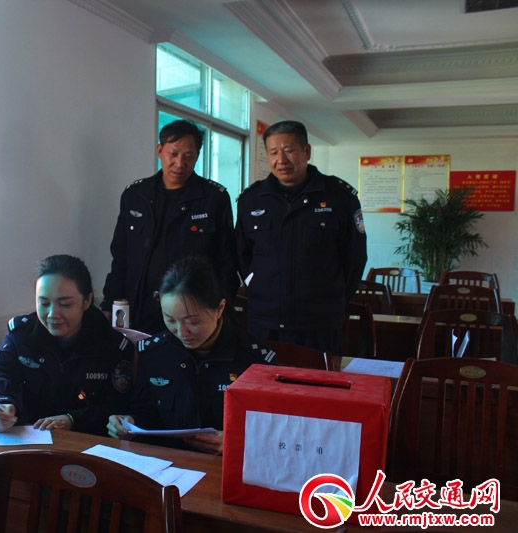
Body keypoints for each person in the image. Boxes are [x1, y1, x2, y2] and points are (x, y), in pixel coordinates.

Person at [106, 255, 277, 455]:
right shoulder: (154, 353)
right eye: (170, 319)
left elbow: (273, 430)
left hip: (224, 464)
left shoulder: (255, 361)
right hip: (168, 462)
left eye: (193, 322)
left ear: (219, 309)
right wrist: (129, 423)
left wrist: (237, 441)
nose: (181, 332)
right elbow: (145, 410)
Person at [235, 120, 367, 354]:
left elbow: (354, 258)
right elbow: (242, 254)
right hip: (265, 320)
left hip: (320, 322)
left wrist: (333, 296)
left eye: (289, 150)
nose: (281, 160)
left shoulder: (339, 197)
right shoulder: (251, 199)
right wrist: (259, 286)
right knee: (264, 377)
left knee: (318, 378)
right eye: (273, 152)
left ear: (306, 151)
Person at [101, 119, 238, 334]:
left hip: (190, 312)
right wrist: (110, 303)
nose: (179, 163)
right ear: (159, 150)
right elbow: (120, 257)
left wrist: (220, 311)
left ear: (197, 156)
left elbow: (226, 262)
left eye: (188, 157)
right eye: (173, 154)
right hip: (139, 306)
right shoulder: (135, 196)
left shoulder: (213, 198)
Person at [0, 254, 134, 436]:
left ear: (87, 301)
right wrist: (0, 403)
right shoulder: (22, 336)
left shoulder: (111, 345)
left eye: (65, 304)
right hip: (28, 439)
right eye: (44, 303)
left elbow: (118, 405)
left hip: (87, 442)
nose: (53, 314)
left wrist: (73, 419)